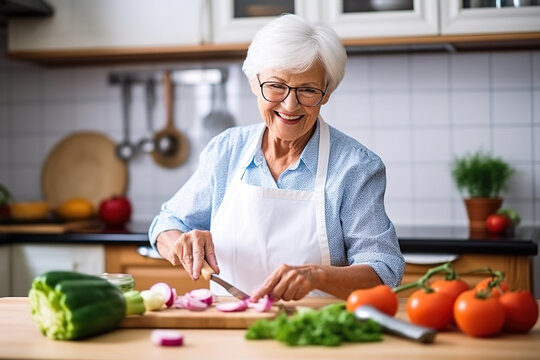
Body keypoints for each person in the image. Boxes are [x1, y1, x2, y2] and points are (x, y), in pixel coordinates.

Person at [149, 14, 404, 302]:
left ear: (327, 93)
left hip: (315, 333)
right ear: (254, 83)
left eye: (308, 90)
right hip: (229, 332)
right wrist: (182, 244)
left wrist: (318, 276)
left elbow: (384, 270)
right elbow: (166, 223)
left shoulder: (355, 167)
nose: (290, 105)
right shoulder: (226, 151)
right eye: (276, 86)